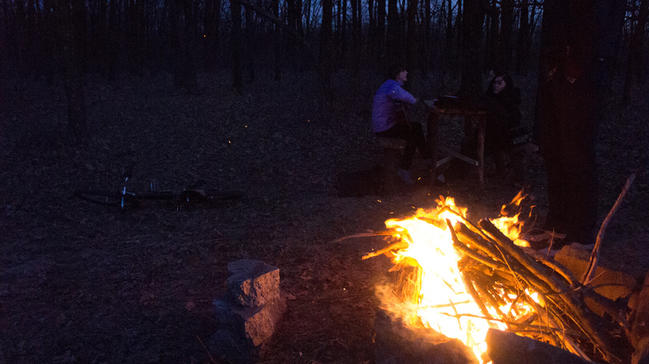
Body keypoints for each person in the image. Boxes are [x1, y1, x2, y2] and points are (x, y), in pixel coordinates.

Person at [371, 64, 428, 184]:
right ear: (398, 74)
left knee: (416, 127)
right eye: (403, 71)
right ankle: (409, 167)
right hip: (384, 127)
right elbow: (408, 98)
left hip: (386, 124)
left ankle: (425, 159)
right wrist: (415, 100)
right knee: (413, 135)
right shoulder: (392, 86)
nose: (406, 72)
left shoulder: (390, 85)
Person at [483, 71, 522, 177]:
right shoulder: (491, 99)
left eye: (499, 83)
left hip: (510, 135)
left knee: (512, 149)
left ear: (506, 84)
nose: (496, 86)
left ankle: (518, 177)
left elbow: (514, 120)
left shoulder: (510, 100)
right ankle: (501, 171)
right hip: (493, 134)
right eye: (494, 83)